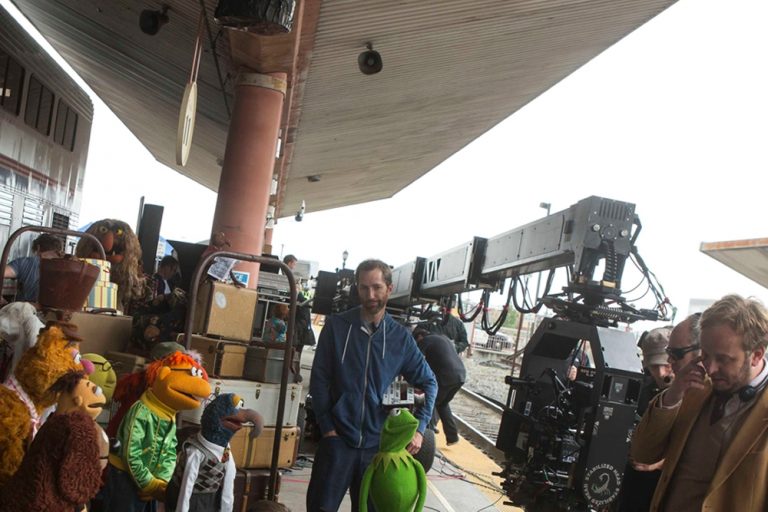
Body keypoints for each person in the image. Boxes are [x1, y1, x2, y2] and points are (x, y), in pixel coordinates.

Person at [307, 259, 437, 512]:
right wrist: (327, 427)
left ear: (389, 288)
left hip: (378, 449)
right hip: (337, 442)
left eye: (377, 287)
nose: (371, 295)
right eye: (364, 288)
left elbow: (429, 382)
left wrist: (420, 429)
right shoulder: (336, 327)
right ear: (357, 288)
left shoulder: (400, 338)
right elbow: (320, 379)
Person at [631, 295, 768, 511]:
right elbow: (642, 454)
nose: (711, 369)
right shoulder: (693, 390)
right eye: (705, 355)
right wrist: (673, 395)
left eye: (723, 359)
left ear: (756, 355)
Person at [616, 327, 673, 512]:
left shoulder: (695, 395)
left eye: (666, 364)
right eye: (654, 366)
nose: (661, 373)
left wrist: (662, 463)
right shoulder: (640, 389)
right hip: (634, 483)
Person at [413, 328, 465, 445]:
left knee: (428, 402)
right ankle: (452, 437)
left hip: (445, 376)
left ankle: (427, 440)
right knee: (442, 404)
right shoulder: (443, 338)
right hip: (460, 375)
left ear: (419, 337)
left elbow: (416, 360)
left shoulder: (425, 340)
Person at [3, 233, 63, 302]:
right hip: (56, 308)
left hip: (26, 307)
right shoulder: (66, 267)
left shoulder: (24, 263)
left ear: (38, 247)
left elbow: (3, 272)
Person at [282, 254, 316, 352]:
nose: (294, 266)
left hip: (299, 306)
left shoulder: (286, 273)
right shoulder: (286, 274)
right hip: (298, 308)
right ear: (289, 263)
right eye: (294, 264)